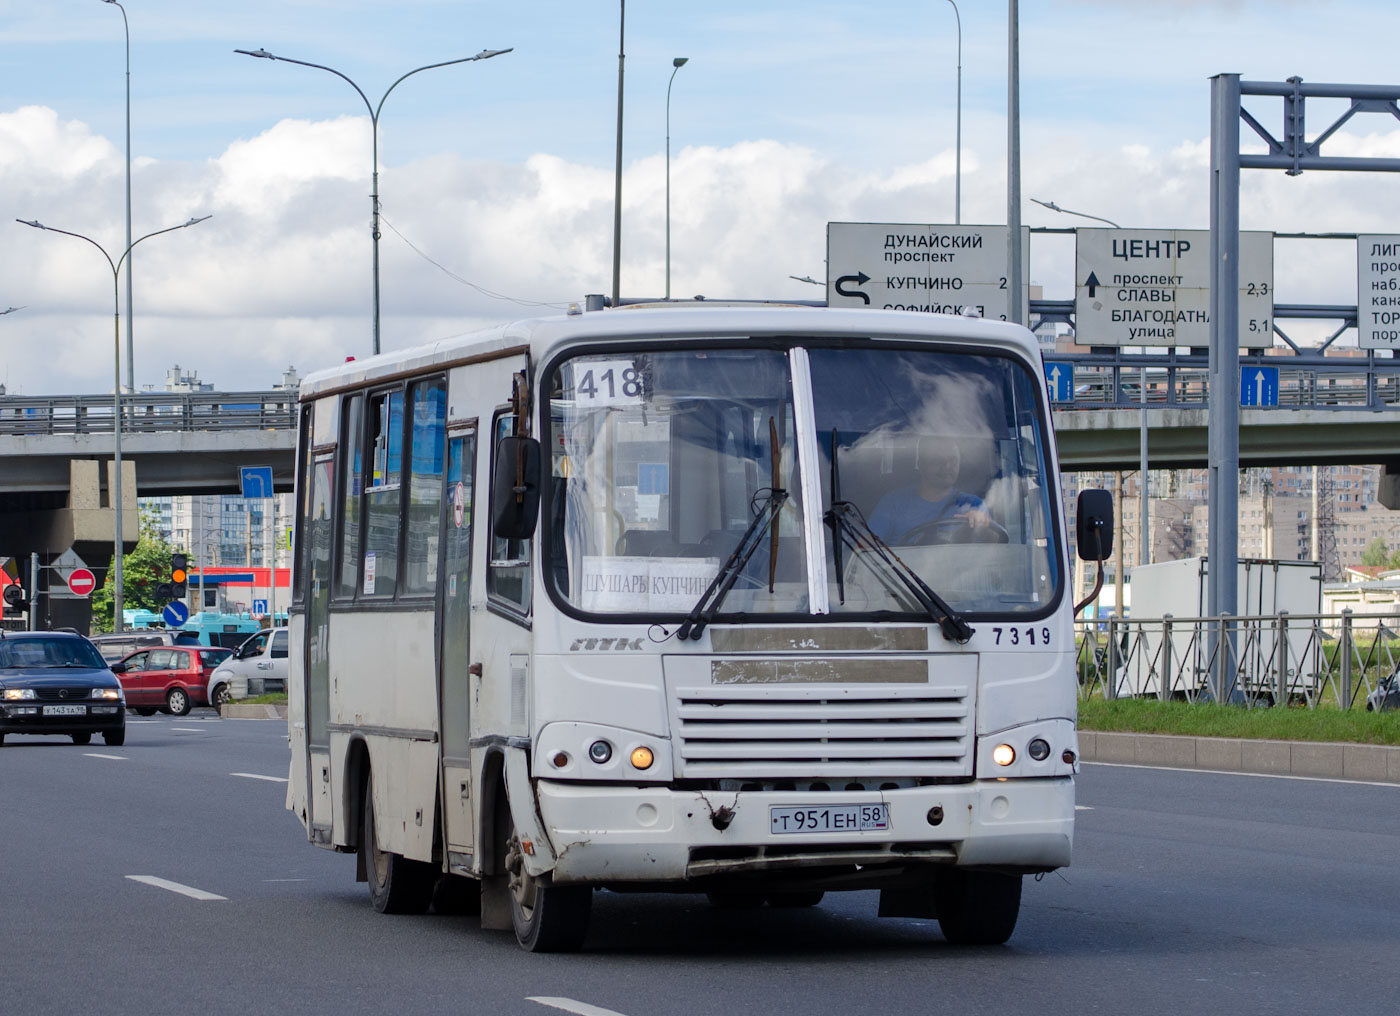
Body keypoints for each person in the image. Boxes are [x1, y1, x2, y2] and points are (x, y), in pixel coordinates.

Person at [867, 437, 992, 544]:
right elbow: (864, 550)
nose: (947, 467)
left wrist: (983, 527)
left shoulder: (973, 504)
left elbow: (994, 549)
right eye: (939, 461)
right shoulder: (892, 504)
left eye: (953, 461)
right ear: (921, 465)